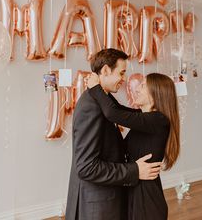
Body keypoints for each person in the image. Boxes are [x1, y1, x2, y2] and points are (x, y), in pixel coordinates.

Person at [65, 49, 162, 220]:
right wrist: (135, 170)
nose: (124, 80)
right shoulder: (91, 106)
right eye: (122, 73)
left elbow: (115, 111)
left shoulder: (102, 101)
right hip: (98, 206)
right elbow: (87, 167)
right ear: (105, 71)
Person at [87, 72, 180, 220]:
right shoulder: (144, 119)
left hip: (146, 198)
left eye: (143, 85)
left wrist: (95, 87)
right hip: (134, 190)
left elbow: (112, 113)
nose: (137, 89)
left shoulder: (158, 120)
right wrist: (103, 88)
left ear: (155, 94)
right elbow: (117, 108)